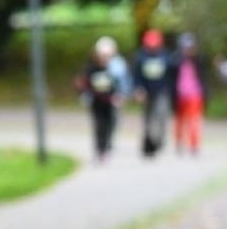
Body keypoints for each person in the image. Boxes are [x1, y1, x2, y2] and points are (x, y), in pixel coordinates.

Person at [75, 35, 126, 163]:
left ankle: (107, 147)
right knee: (99, 125)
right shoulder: (91, 69)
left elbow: (117, 84)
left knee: (110, 124)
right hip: (97, 102)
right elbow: (84, 84)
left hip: (109, 102)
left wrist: (118, 96)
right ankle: (99, 149)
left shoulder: (113, 68)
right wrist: (84, 95)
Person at [131, 28, 175, 158]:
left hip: (161, 92)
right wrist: (138, 89)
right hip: (146, 92)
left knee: (161, 116)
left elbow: (170, 75)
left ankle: (160, 140)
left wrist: (169, 90)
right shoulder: (141, 57)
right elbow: (136, 75)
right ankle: (149, 142)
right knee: (148, 118)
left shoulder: (165, 56)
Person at [171, 31, 209, 155]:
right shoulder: (175, 61)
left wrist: (205, 94)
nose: (188, 50)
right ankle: (179, 143)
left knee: (194, 121)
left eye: (190, 47)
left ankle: (194, 145)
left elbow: (204, 79)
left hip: (195, 95)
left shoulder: (199, 61)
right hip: (179, 96)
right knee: (179, 121)